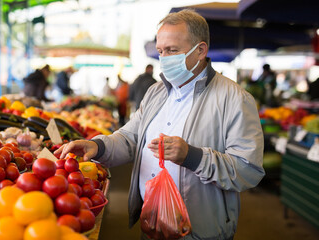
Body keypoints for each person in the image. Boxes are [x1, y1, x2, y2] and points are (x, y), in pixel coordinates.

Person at [55, 9, 264, 240]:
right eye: (161, 51)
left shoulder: (235, 99)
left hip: (199, 231)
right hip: (152, 224)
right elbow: (131, 138)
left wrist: (193, 157)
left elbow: (248, 170)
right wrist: (99, 147)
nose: (165, 59)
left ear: (201, 50)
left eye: (173, 50)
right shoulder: (155, 92)